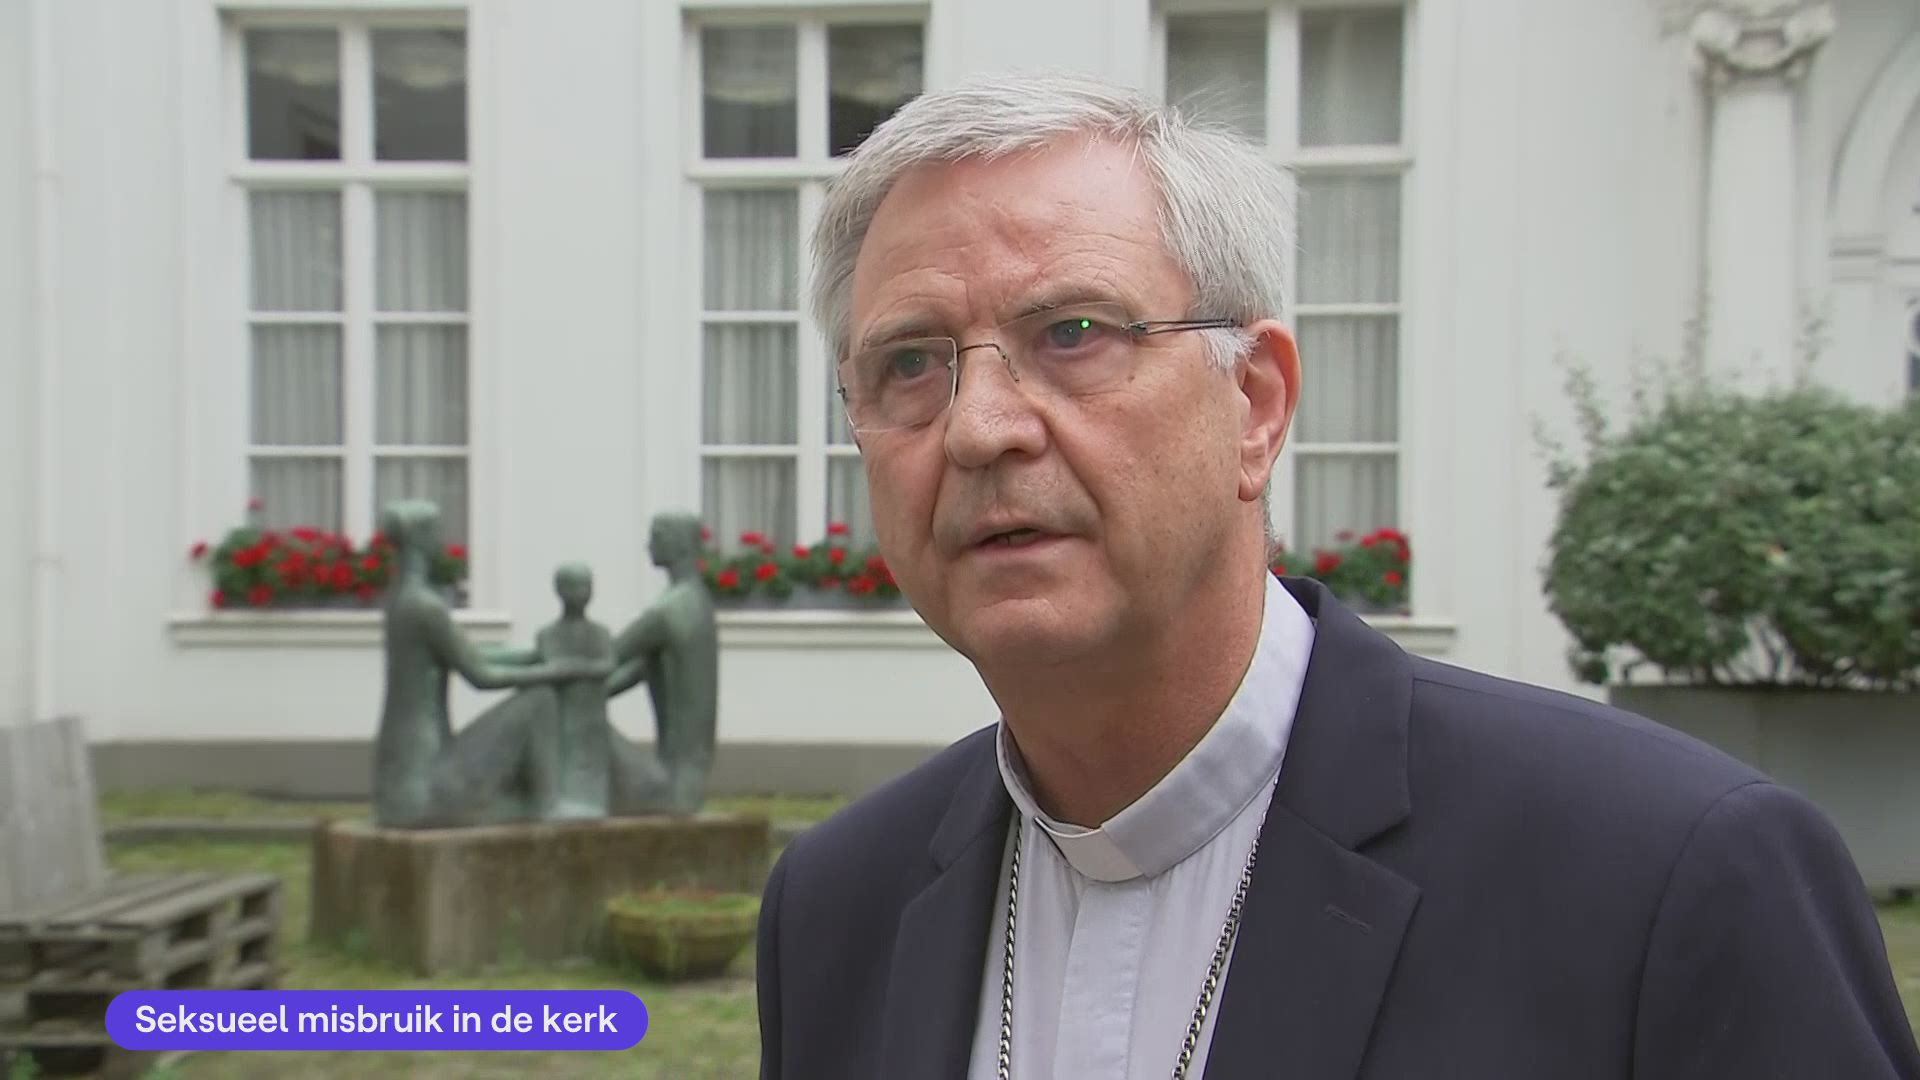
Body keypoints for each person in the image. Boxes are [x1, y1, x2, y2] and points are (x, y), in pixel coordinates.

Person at [752, 71, 1920, 1079]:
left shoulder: (1669, 876)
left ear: (1256, 406)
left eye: (1073, 334)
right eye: (911, 363)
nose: (979, 428)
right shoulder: (837, 911)